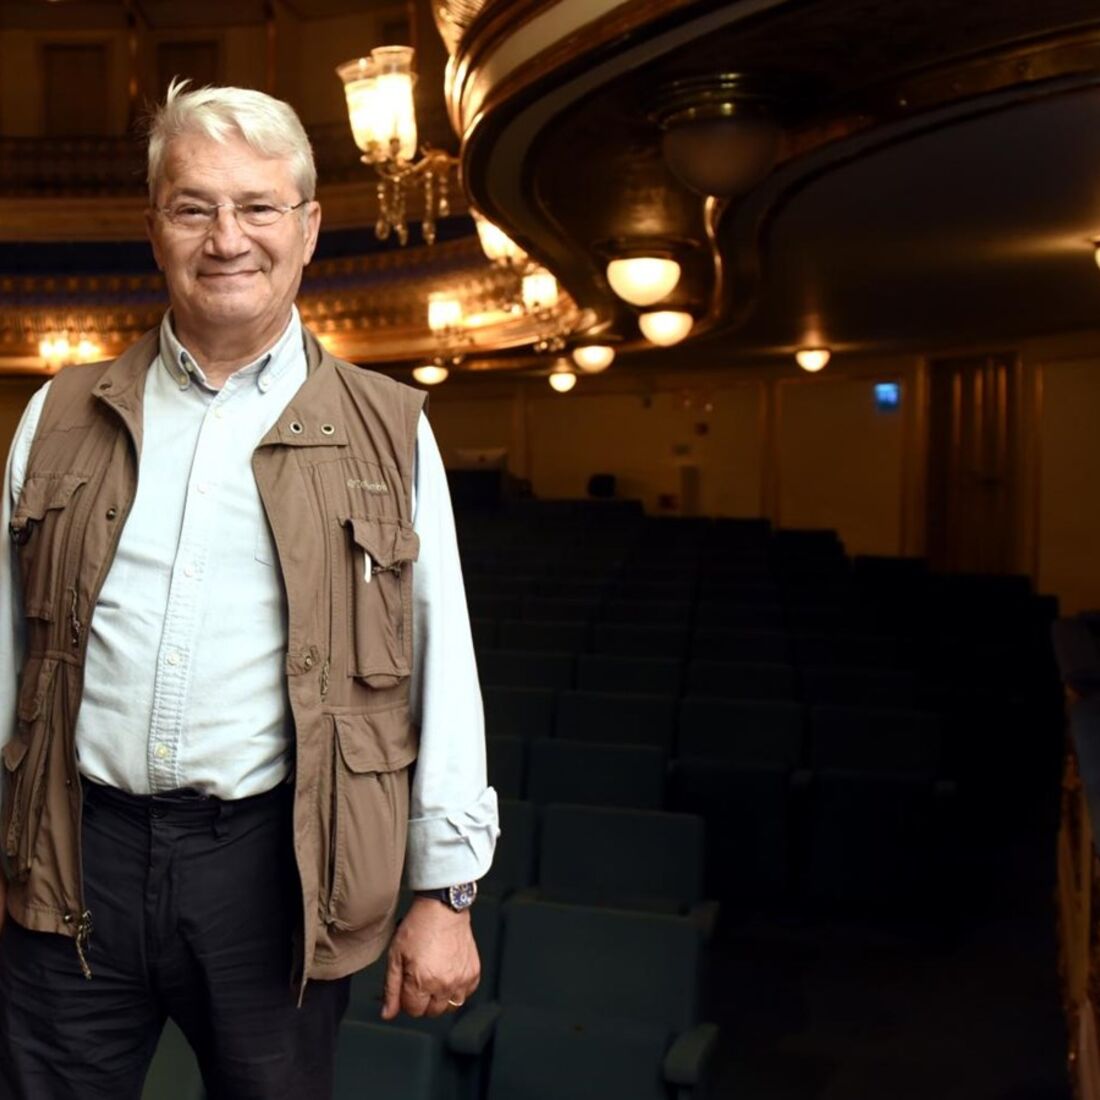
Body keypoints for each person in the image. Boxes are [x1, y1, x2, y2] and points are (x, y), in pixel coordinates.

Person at [0, 79, 498, 1100]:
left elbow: (442, 659)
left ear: (309, 228)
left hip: (272, 868)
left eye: (258, 206)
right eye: (194, 206)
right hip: (71, 853)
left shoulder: (389, 428)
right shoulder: (54, 415)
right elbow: (4, 653)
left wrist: (445, 890)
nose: (227, 237)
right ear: (155, 228)